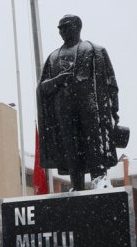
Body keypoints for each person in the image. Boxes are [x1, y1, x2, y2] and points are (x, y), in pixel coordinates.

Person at [37, 15, 126, 192]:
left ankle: (99, 180)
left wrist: (114, 111)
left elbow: (110, 84)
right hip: (64, 111)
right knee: (70, 148)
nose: (62, 31)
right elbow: (43, 88)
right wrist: (58, 80)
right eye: (60, 28)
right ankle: (76, 185)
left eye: (66, 27)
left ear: (77, 27)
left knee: (95, 144)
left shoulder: (94, 50)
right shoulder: (53, 57)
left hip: (91, 108)